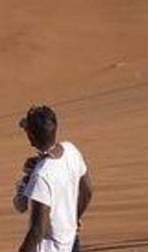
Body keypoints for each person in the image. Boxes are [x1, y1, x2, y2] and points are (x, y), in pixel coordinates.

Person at [16, 105, 93, 252]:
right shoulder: (71, 151)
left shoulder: (42, 176)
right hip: (71, 243)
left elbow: (37, 230)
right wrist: (73, 218)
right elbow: (88, 191)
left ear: (31, 137)